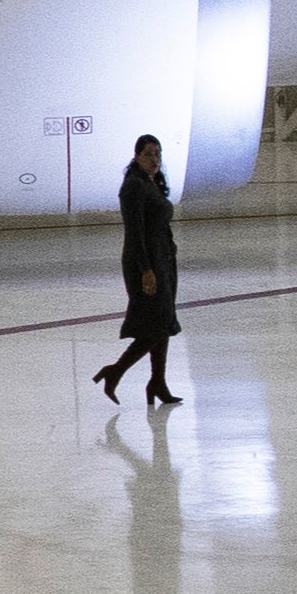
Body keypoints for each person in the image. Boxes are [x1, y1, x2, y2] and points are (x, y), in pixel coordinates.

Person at [92, 135, 182, 407]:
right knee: (154, 327)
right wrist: (146, 270)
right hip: (145, 263)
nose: (154, 159)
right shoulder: (133, 186)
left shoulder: (150, 183)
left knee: (163, 323)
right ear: (136, 156)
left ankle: (158, 382)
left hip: (162, 260)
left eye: (157, 154)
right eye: (148, 154)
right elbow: (134, 232)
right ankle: (115, 371)